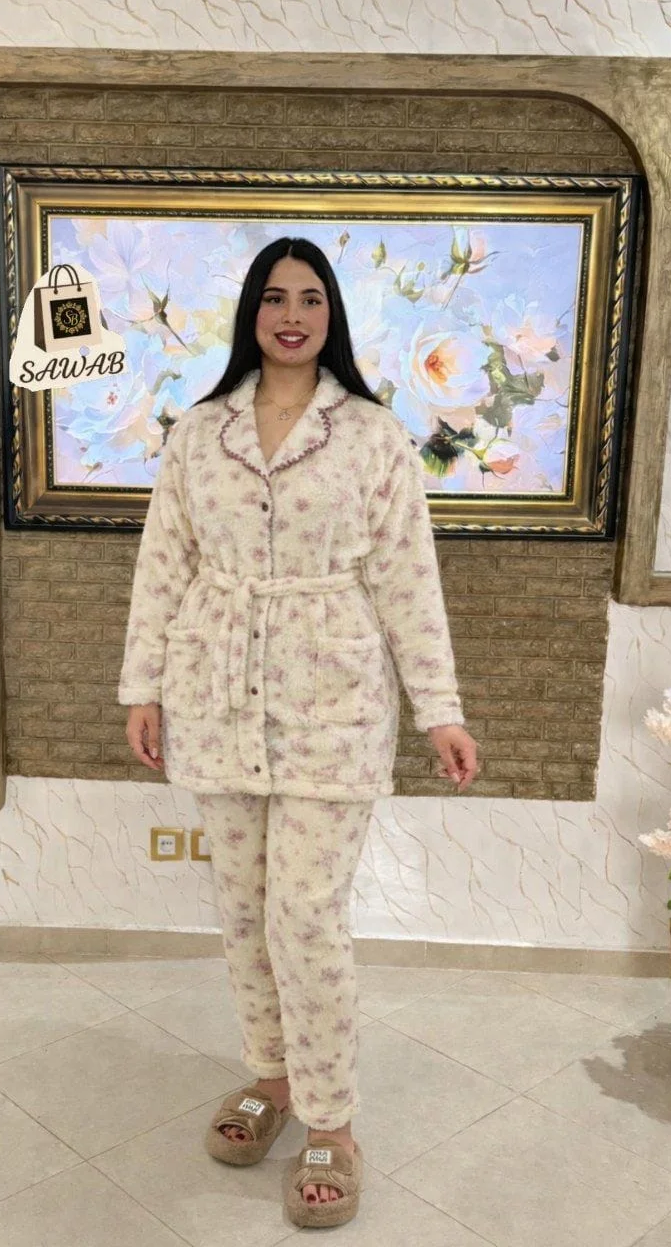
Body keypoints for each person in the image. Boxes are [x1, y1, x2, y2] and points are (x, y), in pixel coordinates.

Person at [119, 235, 479, 1228]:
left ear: (332, 315)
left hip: (334, 700)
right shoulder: (199, 433)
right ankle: (270, 1077)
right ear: (251, 311)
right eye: (274, 297)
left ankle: (332, 1120)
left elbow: (407, 582)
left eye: (310, 298)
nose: (291, 315)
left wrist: (440, 709)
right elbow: (163, 562)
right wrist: (142, 685)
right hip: (213, 688)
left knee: (306, 916)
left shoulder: (373, 435)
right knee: (243, 909)